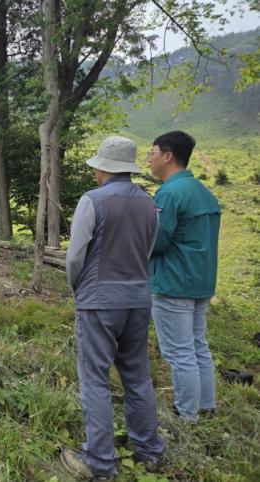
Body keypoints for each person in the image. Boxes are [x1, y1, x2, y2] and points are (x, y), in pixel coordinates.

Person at [61, 136, 165, 480]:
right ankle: (148, 451)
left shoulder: (92, 201)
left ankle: (100, 461)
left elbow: (75, 257)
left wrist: (78, 288)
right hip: (138, 299)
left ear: (103, 168)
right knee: (137, 376)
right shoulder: (149, 204)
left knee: (95, 378)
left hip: (99, 300)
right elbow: (147, 251)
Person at [148, 131, 220, 422]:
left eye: (152, 153)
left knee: (179, 352)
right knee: (198, 345)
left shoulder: (169, 193)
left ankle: (186, 414)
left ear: (167, 156)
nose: (149, 159)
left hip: (173, 282)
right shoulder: (203, 191)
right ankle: (206, 406)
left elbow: (156, 241)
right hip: (201, 281)